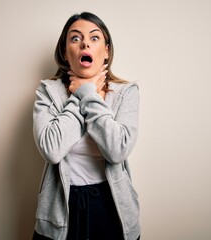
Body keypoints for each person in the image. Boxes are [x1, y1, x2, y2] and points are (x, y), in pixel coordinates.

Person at [32, 12, 140, 240]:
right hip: (61, 207)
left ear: (106, 50)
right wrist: (81, 94)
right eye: (75, 38)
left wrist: (87, 93)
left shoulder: (126, 92)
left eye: (94, 38)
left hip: (111, 205)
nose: (84, 44)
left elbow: (117, 150)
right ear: (65, 52)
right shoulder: (47, 92)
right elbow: (52, 150)